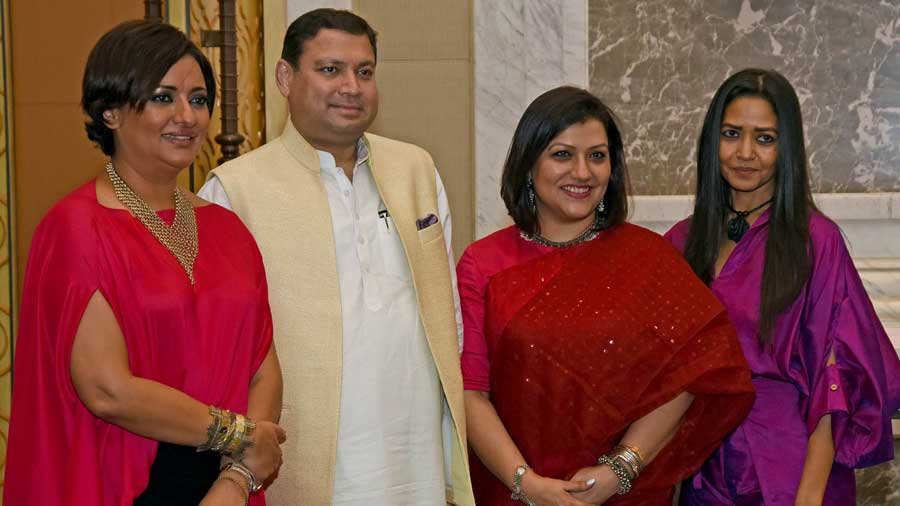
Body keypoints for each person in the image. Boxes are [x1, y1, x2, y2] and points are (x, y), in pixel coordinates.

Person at [197, 8, 474, 506]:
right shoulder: (233, 191)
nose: (352, 86)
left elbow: (446, 316)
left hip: (415, 459)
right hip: (304, 463)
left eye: (364, 71)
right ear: (286, 77)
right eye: (330, 70)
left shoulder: (416, 169)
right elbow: (218, 351)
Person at [4, 20, 285, 506]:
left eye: (198, 100)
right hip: (122, 480)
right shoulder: (75, 229)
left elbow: (263, 368)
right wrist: (238, 435)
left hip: (225, 483)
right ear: (110, 111)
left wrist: (236, 479)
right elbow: (107, 391)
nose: (187, 116)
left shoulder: (228, 230)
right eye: (162, 97)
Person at [456, 85, 756, 506]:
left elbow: (694, 370)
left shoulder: (647, 257)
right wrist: (527, 484)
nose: (582, 172)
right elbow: (470, 392)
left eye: (597, 156)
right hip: (512, 492)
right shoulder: (482, 263)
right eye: (562, 154)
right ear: (528, 165)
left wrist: (621, 468)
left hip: (622, 493)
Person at [666, 68, 900, 505]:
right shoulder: (680, 242)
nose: (746, 153)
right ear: (711, 142)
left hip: (792, 467)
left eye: (765, 138)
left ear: (786, 148)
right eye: (732, 133)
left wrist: (808, 497)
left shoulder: (815, 241)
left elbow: (836, 382)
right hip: (705, 471)